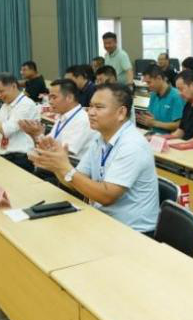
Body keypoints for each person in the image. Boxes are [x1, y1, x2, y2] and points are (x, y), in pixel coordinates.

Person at [29, 84, 159, 234]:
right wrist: (57, 166)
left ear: (121, 113)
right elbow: (75, 182)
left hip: (133, 232)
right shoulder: (100, 139)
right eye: (90, 106)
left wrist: (65, 167)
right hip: (104, 221)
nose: (90, 112)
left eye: (99, 107)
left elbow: (106, 197)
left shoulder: (132, 145)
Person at [20, 79, 96, 158]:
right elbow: (50, 142)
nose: (50, 102)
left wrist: (38, 135)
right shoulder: (63, 116)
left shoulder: (82, 120)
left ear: (69, 98)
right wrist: (34, 135)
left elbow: (64, 153)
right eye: (49, 97)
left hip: (69, 163)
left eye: (54, 97)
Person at [138, 66, 185, 134]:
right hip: (153, 134)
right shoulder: (154, 94)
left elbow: (179, 125)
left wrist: (154, 123)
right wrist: (145, 120)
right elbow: (151, 117)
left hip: (169, 137)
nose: (147, 85)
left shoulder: (176, 96)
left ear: (159, 78)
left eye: (149, 82)